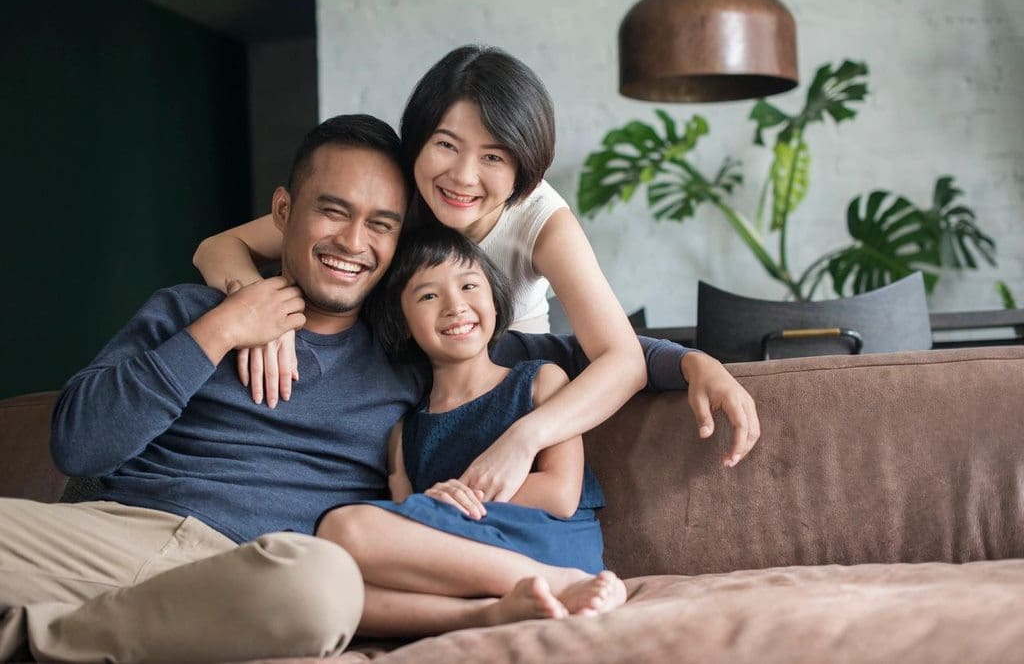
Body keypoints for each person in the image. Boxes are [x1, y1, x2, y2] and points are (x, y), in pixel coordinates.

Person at [0, 114, 659, 663]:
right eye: (333, 212)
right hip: (113, 535)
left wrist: (691, 366)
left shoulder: (411, 346)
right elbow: (79, 446)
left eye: (380, 225)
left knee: (323, 588)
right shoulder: (186, 309)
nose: (353, 241)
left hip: (264, 572)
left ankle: (36, 633)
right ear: (284, 211)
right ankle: (75, 633)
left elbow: (585, 352)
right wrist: (225, 325)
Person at [193, 45, 761, 504]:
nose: (463, 177)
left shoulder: (541, 222)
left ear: (524, 166)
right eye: (446, 145)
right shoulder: (395, 196)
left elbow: (614, 357)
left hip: (494, 390)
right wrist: (261, 313)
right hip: (403, 387)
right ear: (417, 142)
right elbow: (219, 248)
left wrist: (526, 436)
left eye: (493, 156)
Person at [318, 226, 627, 636]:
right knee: (329, 592)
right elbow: (407, 528)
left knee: (342, 528)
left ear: (494, 301)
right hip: (463, 564)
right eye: (428, 296)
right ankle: (493, 612)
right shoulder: (405, 431)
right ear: (403, 321)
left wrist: (455, 501)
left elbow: (560, 494)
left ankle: (559, 584)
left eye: (468, 286)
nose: (455, 306)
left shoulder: (539, 381)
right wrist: (432, 504)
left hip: (549, 544)